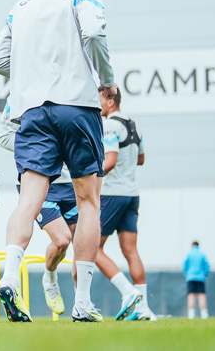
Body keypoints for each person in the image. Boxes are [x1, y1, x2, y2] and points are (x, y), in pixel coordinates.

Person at [0, 0, 116, 323]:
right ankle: (81, 302)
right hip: (76, 105)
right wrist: (106, 79)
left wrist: (32, 70)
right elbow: (93, 32)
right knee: (88, 201)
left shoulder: (21, 5)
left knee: (28, 200)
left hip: (31, 109)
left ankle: (11, 276)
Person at [0, 102, 77, 317]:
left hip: (71, 184)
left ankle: (83, 302)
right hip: (40, 179)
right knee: (62, 239)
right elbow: (4, 137)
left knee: (74, 244)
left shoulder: (67, 91)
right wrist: (42, 149)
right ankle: (49, 280)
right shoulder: (17, 95)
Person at [94, 87, 153, 321]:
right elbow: (141, 159)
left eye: (98, 100)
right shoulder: (132, 124)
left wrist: (90, 176)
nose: (96, 105)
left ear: (110, 99)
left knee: (91, 248)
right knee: (131, 251)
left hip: (112, 194)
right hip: (131, 194)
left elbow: (110, 160)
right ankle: (143, 309)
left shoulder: (109, 124)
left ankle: (128, 292)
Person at [184, 241, 210, 319]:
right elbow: (207, 267)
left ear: (192, 245)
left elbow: (185, 267)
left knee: (191, 295)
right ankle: (204, 314)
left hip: (190, 277)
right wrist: (203, 275)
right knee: (201, 295)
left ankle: (191, 314)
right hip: (201, 277)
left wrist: (188, 275)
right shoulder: (202, 254)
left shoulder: (189, 254)